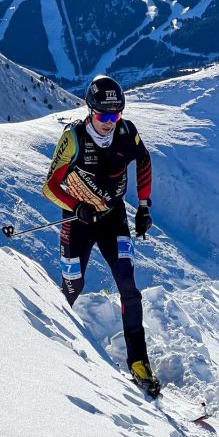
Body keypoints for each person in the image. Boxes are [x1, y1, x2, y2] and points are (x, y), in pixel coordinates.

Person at [42, 74, 160, 396]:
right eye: (103, 116)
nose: (109, 122)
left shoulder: (126, 132)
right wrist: (76, 205)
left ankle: (138, 361)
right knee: (72, 284)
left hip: (113, 217)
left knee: (128, 283)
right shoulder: (75, 138)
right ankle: (44, 342)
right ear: (90, 110)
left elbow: (144, 160)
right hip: (78, 219)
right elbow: (50, 185)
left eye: (115, 114)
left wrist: (144, 207)